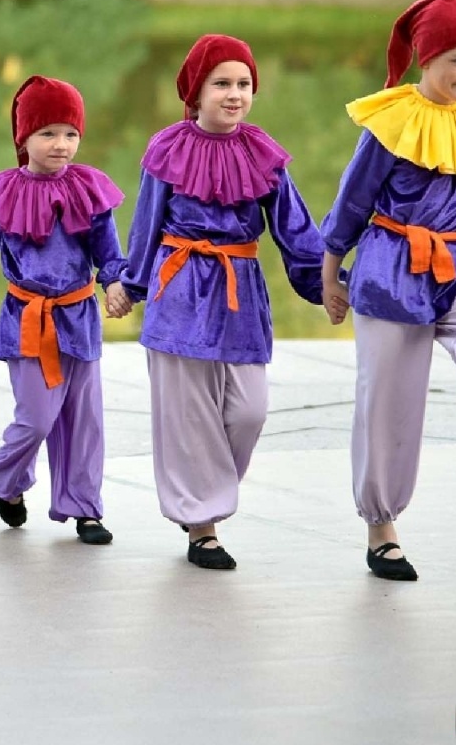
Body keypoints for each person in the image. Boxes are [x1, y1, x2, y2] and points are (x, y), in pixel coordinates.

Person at [320, 0, 456, 582]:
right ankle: (381, 530)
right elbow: (350, 203)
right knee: (387, 403)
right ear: (427, 59)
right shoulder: (392, 123)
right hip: (388, 269)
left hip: (454, 264)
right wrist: (331, 277)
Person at [122, 35, 331, 570]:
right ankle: (203, 527)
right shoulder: (166, 149)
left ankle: (204, 493)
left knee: (249, 411)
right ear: (196, 93)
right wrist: (132, 284)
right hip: (180, 290)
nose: (234, 94)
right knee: (190, 416)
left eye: (243, 84)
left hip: (240, 294)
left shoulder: (263, 153)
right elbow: (146, 224)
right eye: (222, 84)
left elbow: (296, 230)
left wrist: (325, 283)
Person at [0, 76, 130, 543]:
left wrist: (113, 284)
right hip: (27, 320)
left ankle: (84, 508)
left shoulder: (90, 188)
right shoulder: (6, 190)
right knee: (36, 418)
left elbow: (108, 252)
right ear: (23, 138)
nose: (61, 145)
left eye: (70, 134)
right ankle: (7, 481)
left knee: (83, 418)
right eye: (47, 133)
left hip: (79, 317)